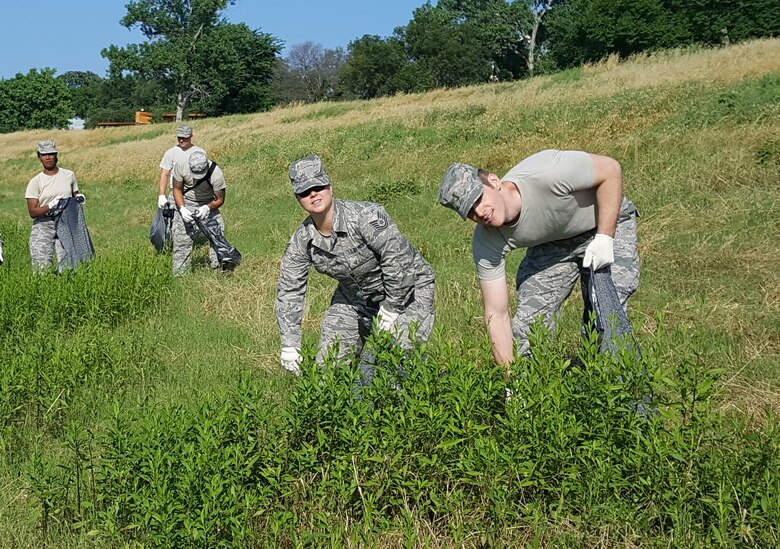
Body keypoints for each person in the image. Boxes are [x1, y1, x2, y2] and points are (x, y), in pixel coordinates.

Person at [437, 149, 639, 369]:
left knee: (605, 312)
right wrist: (510, 379)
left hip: (604, 223)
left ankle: (605, 381)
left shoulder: (547, 173)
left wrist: (604, 238)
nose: (480, 212)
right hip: (552, 242)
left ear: (494, 181)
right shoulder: (486, 242)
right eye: (470, 212)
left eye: (478, 198)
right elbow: (497, 313)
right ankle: (526, 390)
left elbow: (611, 169)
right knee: (530, 322)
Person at [276, 155, 436, 377]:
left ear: (330, 187)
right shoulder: (302, 241)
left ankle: (433, 386)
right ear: (297, 198)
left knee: (394, 360)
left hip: (409, 290)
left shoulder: (365, 217)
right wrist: (290, 344)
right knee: (328, 368)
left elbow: (399, 260)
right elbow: (290, 290)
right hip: (355, 298)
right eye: (305, 191)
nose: (313, 194)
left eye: (318, 186)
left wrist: (392, 308)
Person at [25, 140, 87, 272]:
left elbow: (74, 197)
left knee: (68, 266)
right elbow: (32, 212)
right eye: (44, 154)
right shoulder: (36, 182)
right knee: (41, 268)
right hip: (44, 225)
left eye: (51, 154)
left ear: (56, 155)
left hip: (66, 224)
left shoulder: (68, 175)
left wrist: (78, 199)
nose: (48, 157)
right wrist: (50, 205)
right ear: (39, 157)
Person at [171, 150, 234, 275]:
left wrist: (207, 208)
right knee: (182, 240)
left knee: (217, 237)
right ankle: (180, 274)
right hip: (186, 202)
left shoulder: (216, 174)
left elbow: (220, 199)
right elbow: (177, 188)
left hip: (208, 204)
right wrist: (182, 208)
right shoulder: (180, 165)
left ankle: (219, 270)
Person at [157, 125, 205, 209]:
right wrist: (162, 195)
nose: (181, 140)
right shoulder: (171, 152)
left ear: (191, 136)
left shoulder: (199, 152)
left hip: (195, 195)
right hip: (175, 193)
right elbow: (164, 174)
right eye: (179, 137)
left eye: (185, 138)